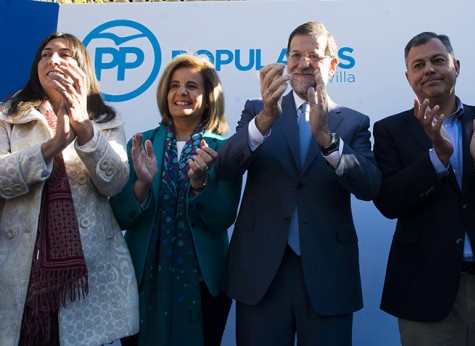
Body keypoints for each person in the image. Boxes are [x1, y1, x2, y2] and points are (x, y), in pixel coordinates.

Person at [214, 21, 381, 345]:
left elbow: (370, 186)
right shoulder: (256, 110)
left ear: (332, 65)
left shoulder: (354, 122)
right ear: (287, 61)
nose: (304, 63)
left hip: (327, 272)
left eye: (314, 56)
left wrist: (327, 141)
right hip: (260, 272)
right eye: (295, 55)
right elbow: (225, 168)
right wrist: (263, 121)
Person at [372, 32, 475, 345]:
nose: (429, 70)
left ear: (456, 66)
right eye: (418, 65)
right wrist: (437, 158)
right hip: (423, 287)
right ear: (409, 77)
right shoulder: (389, 129)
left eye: (438, 60)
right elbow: (389, 202)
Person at [0, 32, 138, 346]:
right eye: (45, 54)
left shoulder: (106, 119)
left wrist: (85, 129)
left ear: (83, 68)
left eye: (64, 55)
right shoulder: (8, 115)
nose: (53, 60)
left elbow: (115, 182)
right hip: (19, 270)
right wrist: (49, 148)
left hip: (86, 272)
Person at [109, 54, 241, 346]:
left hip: (205, 285)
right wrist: (142, 184)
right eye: (175, 85)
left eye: (192, 86)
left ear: (208, 98)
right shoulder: (141, 142)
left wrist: (200, 184)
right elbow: (119, 217)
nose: (181, 92)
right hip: (141, 282)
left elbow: (223, 218)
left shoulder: (225, 149)